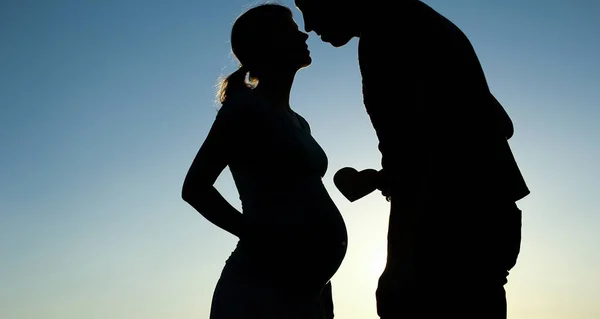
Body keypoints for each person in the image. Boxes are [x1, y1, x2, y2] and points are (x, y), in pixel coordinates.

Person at [294, 0, 530, 318]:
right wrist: (388, 174)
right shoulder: (417, 21)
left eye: (308, 6)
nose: (308, 24)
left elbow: (423, 145)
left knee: (402, 300)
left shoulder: (385, 36)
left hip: (449, 218)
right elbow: (500, 124)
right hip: (489, 209)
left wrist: (390, 178)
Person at [181, 4, 346, 319]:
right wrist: (259, 237)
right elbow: (195, 188)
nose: (304, 33)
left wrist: (323, 288)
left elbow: (305, 203)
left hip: (305, 291)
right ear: (266, 43)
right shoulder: (243, 109)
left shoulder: (298, 122)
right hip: (259, 291)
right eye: (289, 28)